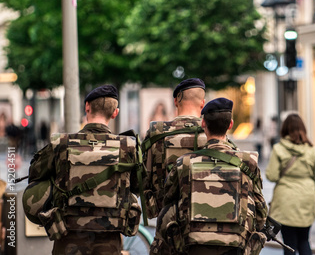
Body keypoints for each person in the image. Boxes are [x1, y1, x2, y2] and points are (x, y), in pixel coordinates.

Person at [26, 84, 141, 255]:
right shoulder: (129, 147)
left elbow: (35, 175)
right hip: (109, 239)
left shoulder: (61, 144)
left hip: (67, 237)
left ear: (87, 106)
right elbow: (138, 187)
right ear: (115, 113)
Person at [150, 98, 268, 255]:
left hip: (192, 245)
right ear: (230, 124)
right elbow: (261, 213)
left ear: (203, 124)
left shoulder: (184, 162)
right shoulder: (248, 162)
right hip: (235, 247)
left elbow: (167, 202)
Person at [143, 78, 210, 218]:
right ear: (203, 104)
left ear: (175, 101)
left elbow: (143, 178)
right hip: (205, 215)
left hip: (167, 219)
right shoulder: (212, 133)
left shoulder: (157, 132)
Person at [266, 114, 315, 255]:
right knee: (304, 240)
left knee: (289, 243)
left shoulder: (278, 149)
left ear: (284, 129)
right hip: (307, 199)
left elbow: (271, 176)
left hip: (286, 201)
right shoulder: (311, 151)